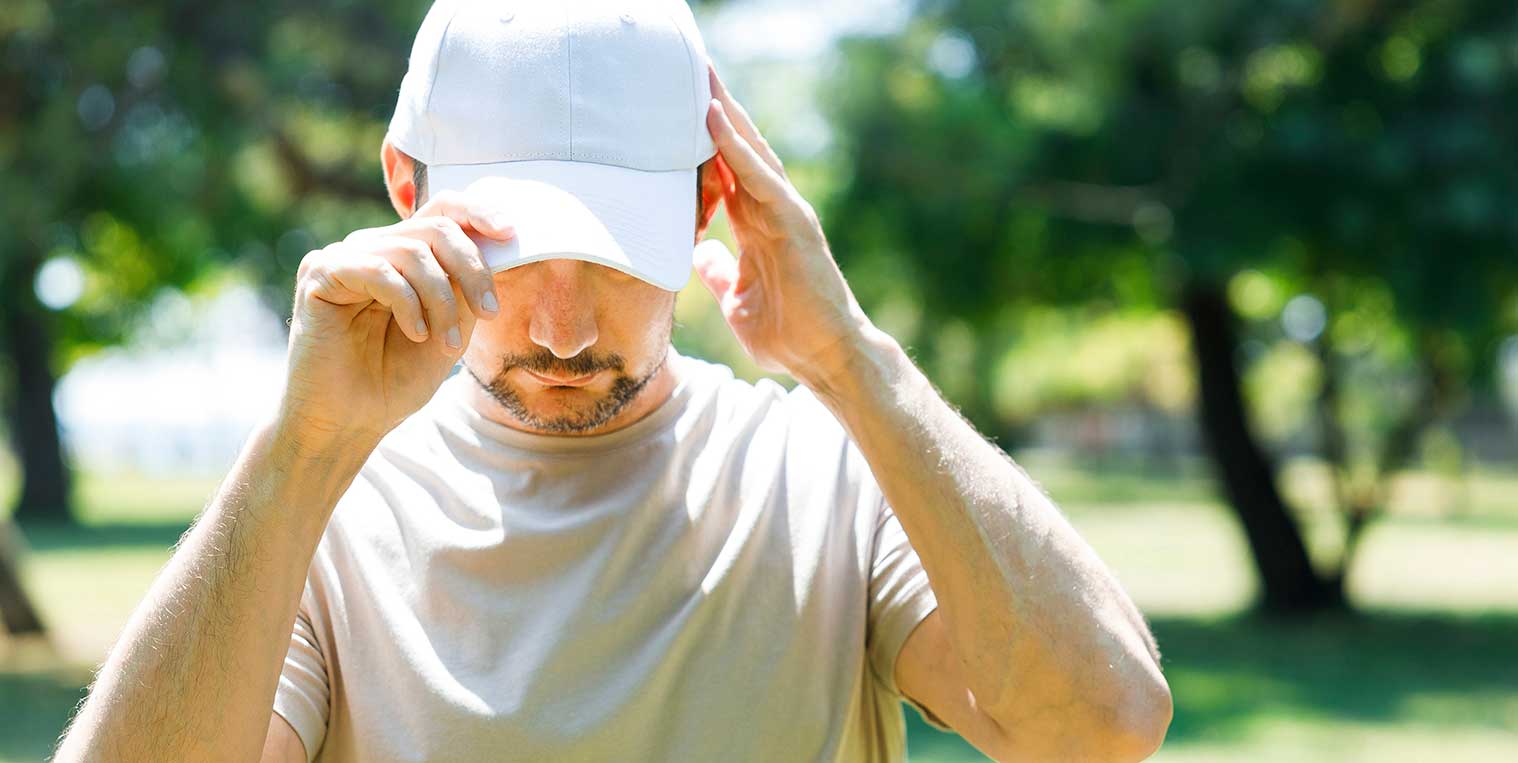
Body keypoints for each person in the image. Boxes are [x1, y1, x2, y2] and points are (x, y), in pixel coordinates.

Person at [55, 1, 1171, 761]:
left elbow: (1100, 727)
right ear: (407, 186)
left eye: (618, 252)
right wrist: (299, 452)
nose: (564, 325)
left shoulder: (826, 470)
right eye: (514, 250)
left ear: (705, 203)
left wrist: (851, 360)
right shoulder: (319, 515)